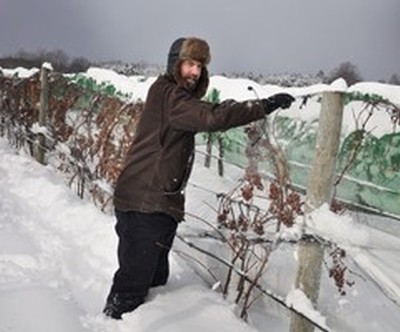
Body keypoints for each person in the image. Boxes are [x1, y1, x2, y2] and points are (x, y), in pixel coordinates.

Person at [103, 36, 295, 319]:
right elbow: (212, 117)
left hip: (157, 203)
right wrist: (261, 106)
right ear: (175, 64)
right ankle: (112, 324)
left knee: (155, 281)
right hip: (144, 204)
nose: (195, 72)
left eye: (200, 66)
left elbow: (207, 111)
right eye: (189, 64)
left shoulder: (177, 98)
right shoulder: (169, 94)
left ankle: (138, 322)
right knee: (132, 287)